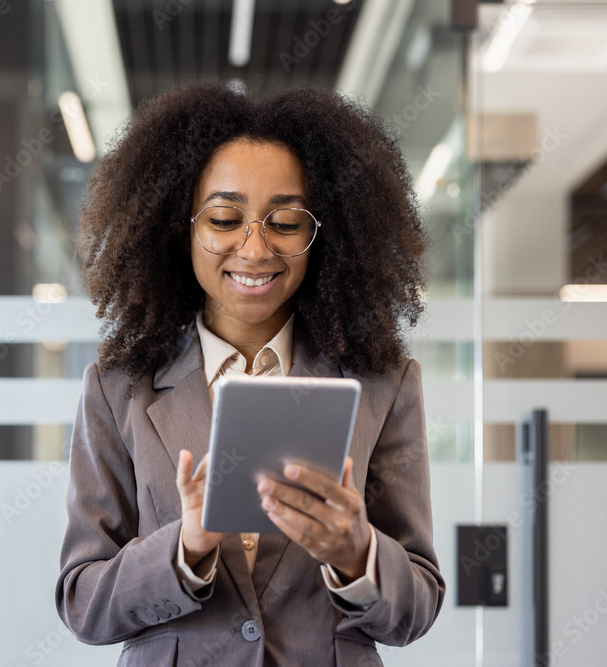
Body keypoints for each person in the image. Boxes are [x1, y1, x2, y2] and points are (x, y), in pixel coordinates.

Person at [55, 81, 445, 666]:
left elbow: (415, 608)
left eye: (285, 223)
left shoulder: (384, 386)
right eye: (224, 218)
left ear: (323, 237)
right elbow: (83, 602)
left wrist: (356, 553)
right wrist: (185, 549)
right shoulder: (117, 391)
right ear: (179, 228)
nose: (255, 248)